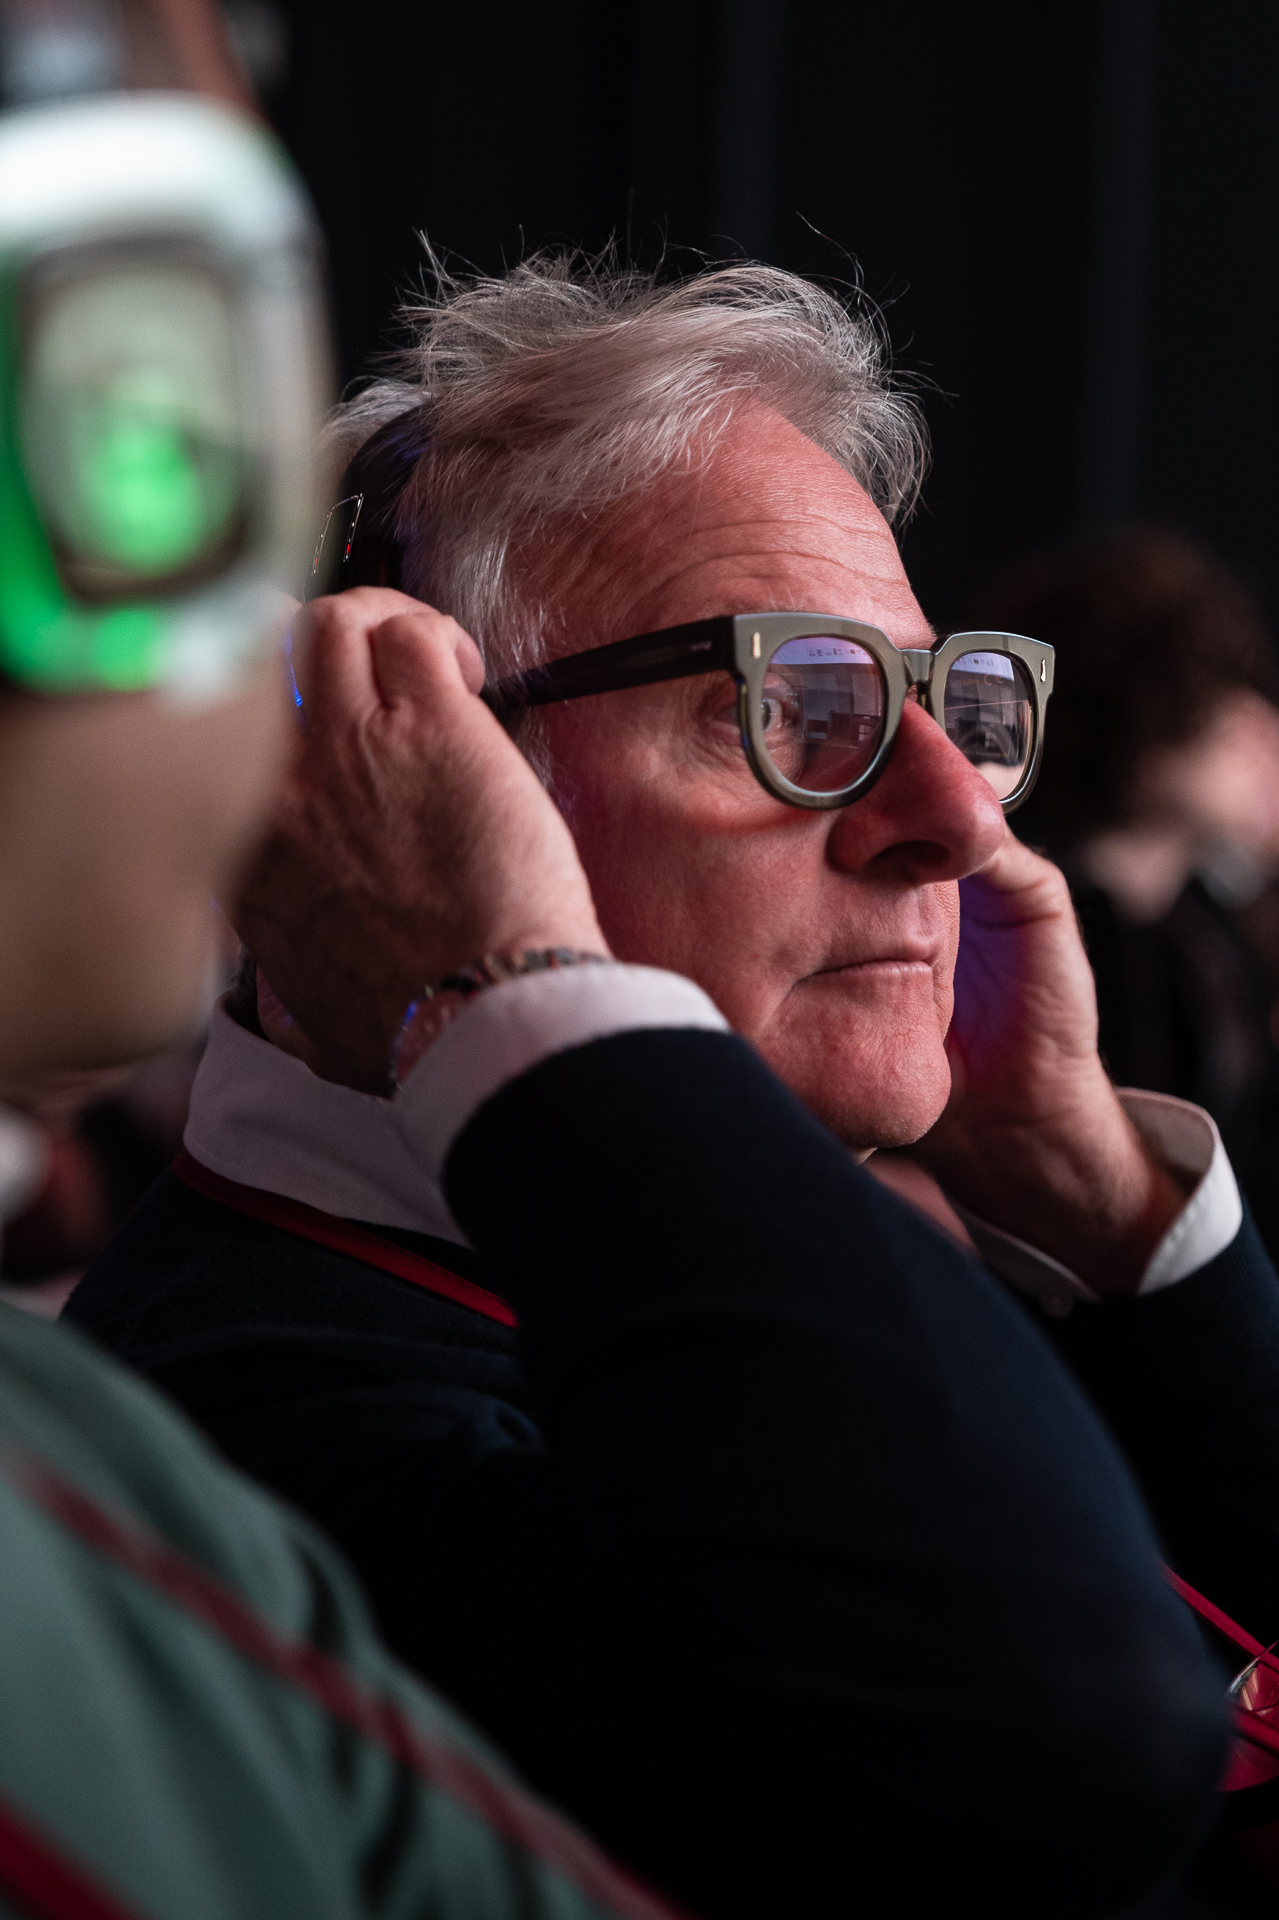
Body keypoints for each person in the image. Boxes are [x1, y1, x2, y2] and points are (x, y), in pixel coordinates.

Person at [68, 257, 1279, 1912]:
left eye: (949, 703)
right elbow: (1072, 1719)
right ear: (415, 775)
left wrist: (1099, 1206)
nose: (956, 818)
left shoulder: (867, 1246)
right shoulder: (278, 1437)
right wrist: (511, 994)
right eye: (795, 704)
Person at [963, 530, 1279, 1254]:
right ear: (1133, 713)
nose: (1260, 727)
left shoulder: (1209, 931)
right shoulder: (1012, 930)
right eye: (1218, 700)